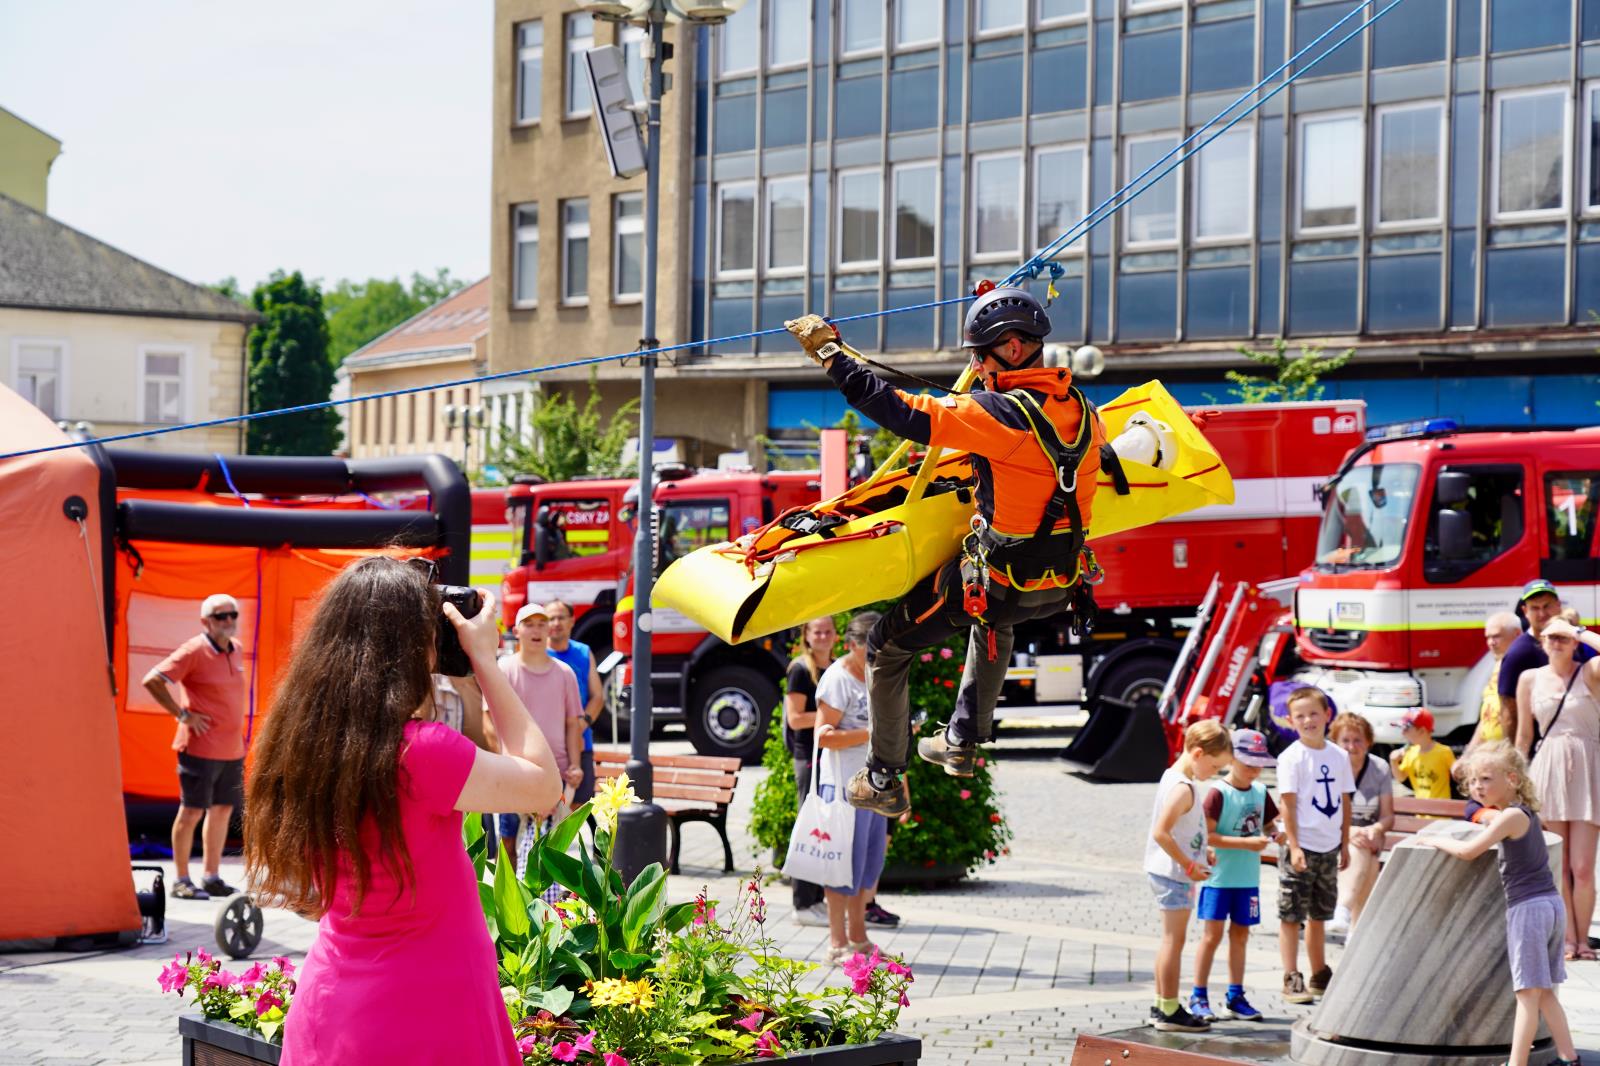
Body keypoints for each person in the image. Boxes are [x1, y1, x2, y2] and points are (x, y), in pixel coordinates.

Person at [784, 288, 1107, 817]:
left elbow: (896, 409)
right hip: (1057, 585)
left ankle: (883, 777)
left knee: (887, 647)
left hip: (996, 581)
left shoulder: (993, 412)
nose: (974, 371)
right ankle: (961, 741)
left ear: (987, 359)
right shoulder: (1085, 413)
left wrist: (831, 354)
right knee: (994, 623)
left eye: (975, 360)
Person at [243, 558, 562, 1064]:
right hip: (426, 1012)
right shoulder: (421, 752)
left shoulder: (299, 746)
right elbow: (544, 786)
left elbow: (310, 896)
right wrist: (484, 661)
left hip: (332, 1009)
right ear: (408, 649)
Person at [1419, 744, 1581, 1066]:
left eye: (1486, 779)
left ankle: (1515, 1064)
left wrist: (1432, 839)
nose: (1477, 786)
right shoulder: (1525, 813)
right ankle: (1569, 1057)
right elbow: (1491, 820)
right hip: (1550, 904)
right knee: (1544, 991)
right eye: (1474, 780)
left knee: (1527, 995)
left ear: (1512, 779)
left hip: (1528, 910)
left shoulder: (1509, 816)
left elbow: (1468, 852)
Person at [143, 593, 249, 901]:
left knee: (222, 812)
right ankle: (181, 879)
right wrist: (182, 714)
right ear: (206, 621)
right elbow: (153, 680)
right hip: (199, 747)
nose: (228, 620)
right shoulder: (194, 650)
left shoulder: (236, 649)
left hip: (231, 749)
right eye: (220, 616)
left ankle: (211, 876)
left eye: (232, 614)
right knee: (191, 812)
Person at [814, 612, 904, 964]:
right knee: (841, 867)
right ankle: (837, 943)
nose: (878, 657)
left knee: (867, 866)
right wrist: (871, 733)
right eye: (873, 650)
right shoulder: (837, 679)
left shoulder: (875, 674)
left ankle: (859, 937)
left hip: (873, 787)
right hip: (841, 788)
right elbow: (824, 737)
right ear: (852, 645)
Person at [1515, 616, 1600, 961]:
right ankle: (1566, 938)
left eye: (1563, 637)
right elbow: (1523, 735)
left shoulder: (1590, 672)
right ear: (1541, 641)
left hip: (1587, 767)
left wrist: (1579, 632)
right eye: (1551, 636)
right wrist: (1517, 782)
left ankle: (1583, 939)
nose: (1557, 642)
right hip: (1546, 766)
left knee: (1582, 866)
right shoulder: (1530, 678)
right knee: (1557, 862)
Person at [1143, 718, 1232, 1033]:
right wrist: (1189, 864)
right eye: (1216, 766)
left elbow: (1183, 830)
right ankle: (1169, 1008)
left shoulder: (1175, 777)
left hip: (1170, 872)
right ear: (1198, 753)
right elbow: (1161, 833)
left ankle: (1162, 1002)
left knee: (1169, 941)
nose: (1216, 774)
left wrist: (1200, 851)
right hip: (1173, 875)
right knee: (1173, 941)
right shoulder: (1184, 787)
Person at [1189, 729, 1277, 1025]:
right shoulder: (1218, 792)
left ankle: (1235, 996)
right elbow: (1208, 835)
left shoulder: (1261, 792)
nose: (1254, 770)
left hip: (1247, 879)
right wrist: (1247, 843)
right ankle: (1198, 995)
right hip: (1219, 879)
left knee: (1241, 936)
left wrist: (1278, 834)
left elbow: (1270, 824)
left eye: (1259, 763)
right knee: (1211, 936)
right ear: (1232, 758)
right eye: (1248, 762)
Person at [1276, 686, 1353, 1005]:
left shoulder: (1339, 756)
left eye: (1313, 713)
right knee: (1292, 914)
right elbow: (1288, 806)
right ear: (1291, 721)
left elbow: (1344, 801)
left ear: (1327, 716)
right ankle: (1291, 975)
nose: (1308, 720)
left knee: (1320, 914)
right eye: (1300, 716)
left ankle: (1319, 971)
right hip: (1302, 845)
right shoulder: (1291, 757)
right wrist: (1294, 847)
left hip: (1329, 845)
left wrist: (1345, 844)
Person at [495, 602, 586, 867]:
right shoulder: (504, 669)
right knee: (509, 843)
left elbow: (572, 724)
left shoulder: (565, 673)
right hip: (513, 772)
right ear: (517, 630)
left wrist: (575, 764)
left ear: (549, 630)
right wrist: (501, 763)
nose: (536, 630)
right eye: (529, 624)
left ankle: (549, 909)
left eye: (541, 623)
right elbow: (491, 721)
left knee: (553, 849)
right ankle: (509, 905)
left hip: (555, 775)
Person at [786, 616, 837, 928]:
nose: (822, 636)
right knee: (809, 826)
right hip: (808, 757)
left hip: (830, 755)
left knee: (825, 829)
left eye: (828, 631)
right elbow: (795, 719)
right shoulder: (800, 669)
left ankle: (816, 899)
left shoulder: (835, 666)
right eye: (816, 631)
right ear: (806, 635)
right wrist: (831, 715)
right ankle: (802, 903)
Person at [1500, 580, 1593, 751]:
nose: (1542, 613)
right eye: (1535, 608)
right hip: (1543, 753)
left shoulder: (1577, 643)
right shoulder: (1518, 655)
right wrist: (1517, 764)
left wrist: (1577, 632)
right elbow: (1509, 714)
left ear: (1558, 606)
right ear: (1525, 611)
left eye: (1547, 606)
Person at [1327, 713, 1393, 937]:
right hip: (1334, 838)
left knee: (1364, 849)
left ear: (1368, 742)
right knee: (1365, 858)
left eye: (1358, 740)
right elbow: (1323, 813)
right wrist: (1349, 831)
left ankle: (1343, 912)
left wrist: (1376, 829)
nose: (1351, 747)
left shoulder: (1379, 768)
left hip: (1369, 837)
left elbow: (1387, 817)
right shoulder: (1329, 769)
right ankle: (1351, 923)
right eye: (1345, 740)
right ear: (1335, 742)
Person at [544, 599, 602, 806]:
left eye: (561, 617)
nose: (556, 623)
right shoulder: (537, 654)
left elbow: (597, 696)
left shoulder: (584, 653)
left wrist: (582, 724)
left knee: (577, 807)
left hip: (581, 742)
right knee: (545, 806)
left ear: (572, 621)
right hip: (548, 745)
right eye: (550, 619)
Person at [1467, 611, 1522, 754]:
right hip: (1493, 753)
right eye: (1488, 637)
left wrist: (1511, 754)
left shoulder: (1522, 665)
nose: (1491, 642)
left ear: (1516, 634)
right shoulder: (1497, 664)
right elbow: (1487, 717)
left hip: (1509, 753)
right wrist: (1469, 753)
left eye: (1496, 636)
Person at [1388, 708, 1455, 800]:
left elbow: (1457, 777)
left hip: (1441, 810)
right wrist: (1393, 762)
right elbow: (1401, 778)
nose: (1402, 733)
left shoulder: (1444, 752)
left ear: (1422, 731)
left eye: (1406, 728)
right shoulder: (1410, 753)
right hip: (1420, 810)